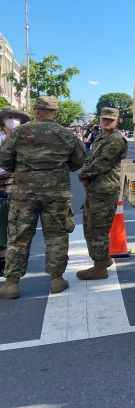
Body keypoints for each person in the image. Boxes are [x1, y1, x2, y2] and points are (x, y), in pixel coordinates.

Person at [0, 97, 85, 299]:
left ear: (36, 110)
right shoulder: (66, 135)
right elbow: (78, 161)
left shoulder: (20, 132)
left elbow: (4, 159)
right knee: (56, 236)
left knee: (18, 237)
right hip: (56, 192)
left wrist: (23, 170)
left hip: (24, 192)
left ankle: (12, 284)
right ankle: (56, 279)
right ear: (55, 112)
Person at [76, 107, 129, 280]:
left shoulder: (115, 139)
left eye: (110, 120)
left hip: (104, 190)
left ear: (117, 121)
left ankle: (99, 268)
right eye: (104, 119)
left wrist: (84, 174)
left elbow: (102, 163)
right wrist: (85, 172)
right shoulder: (101, 136)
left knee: (97, 229)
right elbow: (91, 159)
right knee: (90, 226)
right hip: (97, 189)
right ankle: (104, 259)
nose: (106, 122)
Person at [0, 110, 29, 276]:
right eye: (9, 118)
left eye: (16, 118)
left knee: (14, 227)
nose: (12, 121)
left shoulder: (24, 140)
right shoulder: (1, 138)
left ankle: (8, 262)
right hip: (3, 187)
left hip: (18, 188)